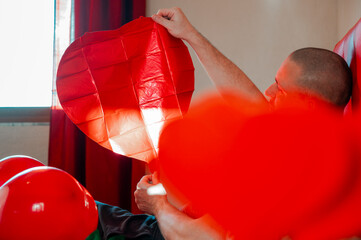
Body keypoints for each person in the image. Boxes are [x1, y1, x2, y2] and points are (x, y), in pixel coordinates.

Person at [99, 7, 353, 240]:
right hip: (157, 226)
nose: (268, 92)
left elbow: (203, 238)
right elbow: (249, 98)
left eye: (280, 88)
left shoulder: (294, 173)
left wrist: (158, 205)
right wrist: (190, 35)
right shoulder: (302, 143)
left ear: (307, 106)